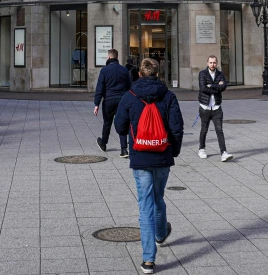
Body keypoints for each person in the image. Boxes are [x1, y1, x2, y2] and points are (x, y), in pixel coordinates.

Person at [114, 58, 184, 274]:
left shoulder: (130, 95)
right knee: (158, 198)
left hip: (141, 157)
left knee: (145, 205)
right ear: (157, 73)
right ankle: (161, 235)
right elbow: (177, 127)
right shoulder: (169, 95)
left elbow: (119, 126)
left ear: (140, 74)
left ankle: (148, 260)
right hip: (162, 156)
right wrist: (174, 151)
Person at [94, 49, 133, 157]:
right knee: (123, 122)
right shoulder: (124, 70)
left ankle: (103, 143)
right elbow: (130, 86)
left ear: (109, 57)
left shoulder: (104, 70)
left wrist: (96, 104)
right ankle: (124, 149)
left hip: (109, 101)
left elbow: (100, 88)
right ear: (116, 57)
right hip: (122, 100)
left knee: (107, 122)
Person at [197, 55, 232, 162]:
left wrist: (211, 86)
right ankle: (202, 149)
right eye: (211, 62)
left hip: (217, 107)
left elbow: (224, 87)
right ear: (207, 63)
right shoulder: (202, 74)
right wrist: (217, 86)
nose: (213, 65)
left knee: (219, 130)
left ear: (217, 63)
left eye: (214, 63)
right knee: (204, 129)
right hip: (205, 107)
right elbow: (203, 88)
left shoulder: (220, 74)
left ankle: (224, 152)